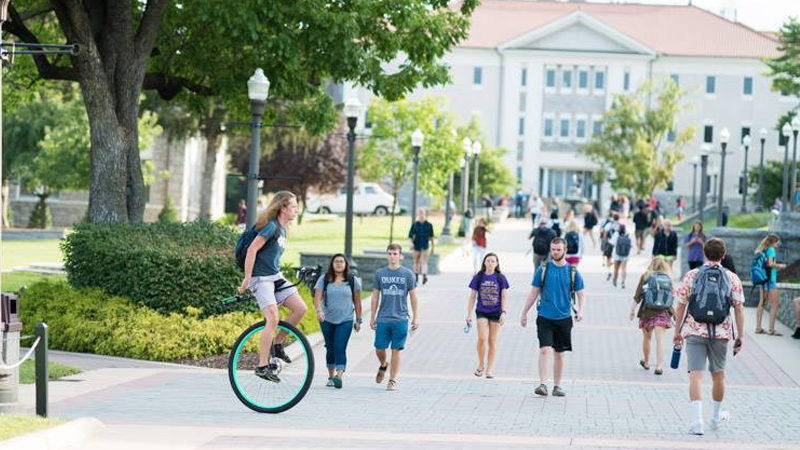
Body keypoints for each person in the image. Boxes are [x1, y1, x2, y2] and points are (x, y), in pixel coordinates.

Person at [673, 238, 744, 435]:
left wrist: (677, 331)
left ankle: (697, 422)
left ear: (704, 253)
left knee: (696, 376)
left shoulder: (692, 275)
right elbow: (739, 309)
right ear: (724, 254)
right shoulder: (731, 277)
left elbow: (680, 305)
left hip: (694, 331)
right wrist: (740, 336)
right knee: (718, 375)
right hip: (721, 333)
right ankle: (714, 418)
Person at [238, 191, 308, 383]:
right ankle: (262, 366)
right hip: (261, 279)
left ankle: (277, 344)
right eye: (293, 206)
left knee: (300, 308)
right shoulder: (271, 226)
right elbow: (252, 249)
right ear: (283, 208)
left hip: (275, 276)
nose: (296, 210)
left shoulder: (283, 229)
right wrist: (247, 278)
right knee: (273, 318)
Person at [520, 238, 586, 397]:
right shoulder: (543, 269)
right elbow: (533, 293)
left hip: (564, 318)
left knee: (559, 353)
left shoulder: (572, 271)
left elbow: (581, 294)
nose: (555, 252)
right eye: (553, 249)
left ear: (565, 250)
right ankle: (543, 384)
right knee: (544, 350)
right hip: (545, 316)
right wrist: (524, 312)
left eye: (558, 249)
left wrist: (581, 311)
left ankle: (557, 386)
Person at [370, 244, 419, 391]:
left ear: (400, 256)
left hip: (401, 318)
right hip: (383, 317)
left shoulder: (407, 274)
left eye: (395, 253)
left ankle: (392, 380)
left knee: (396, 349)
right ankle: (384, 364)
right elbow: (375, 296)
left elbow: (413, 297)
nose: (392, 256)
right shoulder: (380, 274)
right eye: (390, 253)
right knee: (379, 348)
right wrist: (372, 316)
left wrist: (416, 317)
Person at [314, 254, 362, 389]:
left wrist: (358, 320)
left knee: (340, 347)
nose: (339, 263)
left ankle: (339, 377)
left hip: (346, 320)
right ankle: (331, 376)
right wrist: (319, 311)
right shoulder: (324, 279)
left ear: (346, 264)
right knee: (330, 348)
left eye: (341, 261)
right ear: (332, 264)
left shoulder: (352, 280)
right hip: (327, 320)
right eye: (336, 261)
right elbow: (317, 297)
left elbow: (357, 301)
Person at [466, 253, 510, 379]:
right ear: (484, 262)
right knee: (482, 338)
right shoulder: (478, 277)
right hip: (482, 311)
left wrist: (504, 312)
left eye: (493, 261)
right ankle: (481, 364)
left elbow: (504, 296)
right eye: (488, 261)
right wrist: (469, 314)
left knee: (492, 340)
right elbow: (472, 297)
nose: (490, 263)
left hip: (496, 312)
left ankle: (489, 370)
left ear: (496, 264)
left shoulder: (501, 278)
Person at [629, 256, 674, 375]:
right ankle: (659, 366)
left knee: (647, 338)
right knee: (661, 340)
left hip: (647, 312)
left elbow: (637, 295)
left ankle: (646, 362)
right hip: (663, 312)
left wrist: (632, 310)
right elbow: (671, 297)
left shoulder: (645, 276)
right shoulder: (668, 278)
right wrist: (673, 314)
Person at [754, 234, 787, 336]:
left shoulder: (763, 249)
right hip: (770, 280)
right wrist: (780, 266)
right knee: (775, 303)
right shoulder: (771, 249)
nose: (778, 244)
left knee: (762, 303)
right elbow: (770, 263)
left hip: (763, 279)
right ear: (773, 242)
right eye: (777, 242)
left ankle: (758, 328)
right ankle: (771, 330)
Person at [408, 209, 435, 285]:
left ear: (425, 215)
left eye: (422, 214)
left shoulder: (429, 225)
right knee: (416, 262)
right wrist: (411, 244)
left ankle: (424, 276)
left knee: (424, 262)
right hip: (416, 246)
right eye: (419, 214)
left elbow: (432, 237)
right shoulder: (414, 225)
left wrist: (433, 248)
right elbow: (410, 236)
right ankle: (416, 277)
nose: (421, 215)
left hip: (425, 246)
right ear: (418, 215)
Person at [609, 223, 632, 289]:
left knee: (616, 269)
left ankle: (615, 281)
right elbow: (631, 244)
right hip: (625, 255)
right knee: (624, 268)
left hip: (617, 254)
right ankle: (623, 282)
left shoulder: (616, 234)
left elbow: (612, 242)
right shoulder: (628, 235)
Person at [601, 212, 620, 281]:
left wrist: (604, 241)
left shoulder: (609, 224)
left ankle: (609, 271)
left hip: (610, 243)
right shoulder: (620, 225)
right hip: (618, 244)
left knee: (608, 258)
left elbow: (605, 234)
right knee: (616, 259)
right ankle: (615, 272)